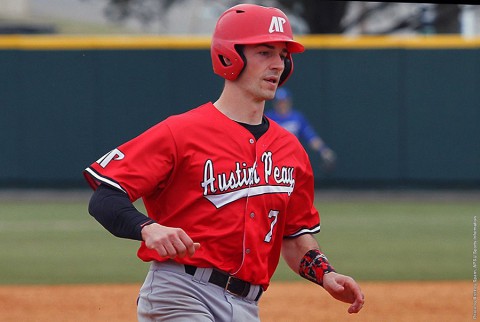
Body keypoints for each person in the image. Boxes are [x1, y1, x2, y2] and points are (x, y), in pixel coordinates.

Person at [83, 3, 364, 321]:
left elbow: (294, 235)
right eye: (265, 52)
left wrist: (326, 274)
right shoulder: (181, 132)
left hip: (247, 305)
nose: (278, 64)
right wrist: (146, 227)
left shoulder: (290, 149)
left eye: (283, 55)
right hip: (181, 292)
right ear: (230, 56)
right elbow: (105, 197)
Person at [265, 87, 337, 171]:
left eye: (284, 102)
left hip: (292, 157)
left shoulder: (297, 118)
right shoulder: (268, 118)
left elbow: (310, 137)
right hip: (273, 159)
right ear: (275, 104)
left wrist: (324, 150)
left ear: (289, 102)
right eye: (279, 102)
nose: (282, 105)